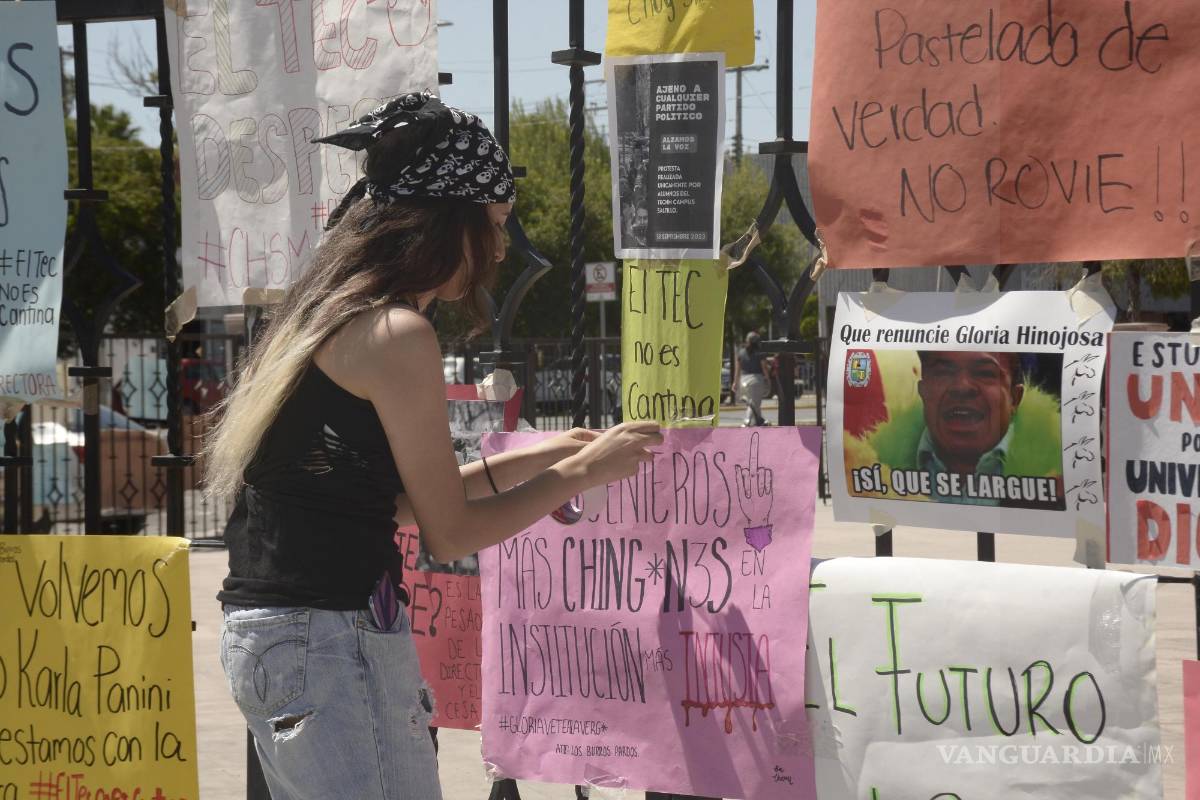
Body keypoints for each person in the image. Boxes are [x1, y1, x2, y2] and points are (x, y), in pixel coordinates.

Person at [204, 91, 662, 800]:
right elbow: (451, 533)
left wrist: (540, 456)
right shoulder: (397, 334)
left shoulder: (323, 313)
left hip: (286, 636)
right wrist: (579, 473)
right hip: (332, 638)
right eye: (498, 224)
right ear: (452, 222)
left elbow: (400, 507)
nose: (504, 247)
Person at [733, 331, 769, 426]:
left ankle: (759, 421)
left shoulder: (741, 352)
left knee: (753, 403)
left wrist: (735, 383)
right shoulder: (760, 352)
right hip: (755, 380)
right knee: (754, 403)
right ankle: (747, 421)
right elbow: (764, 367)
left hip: (743, 381)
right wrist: (768, 379)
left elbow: (737, 370)